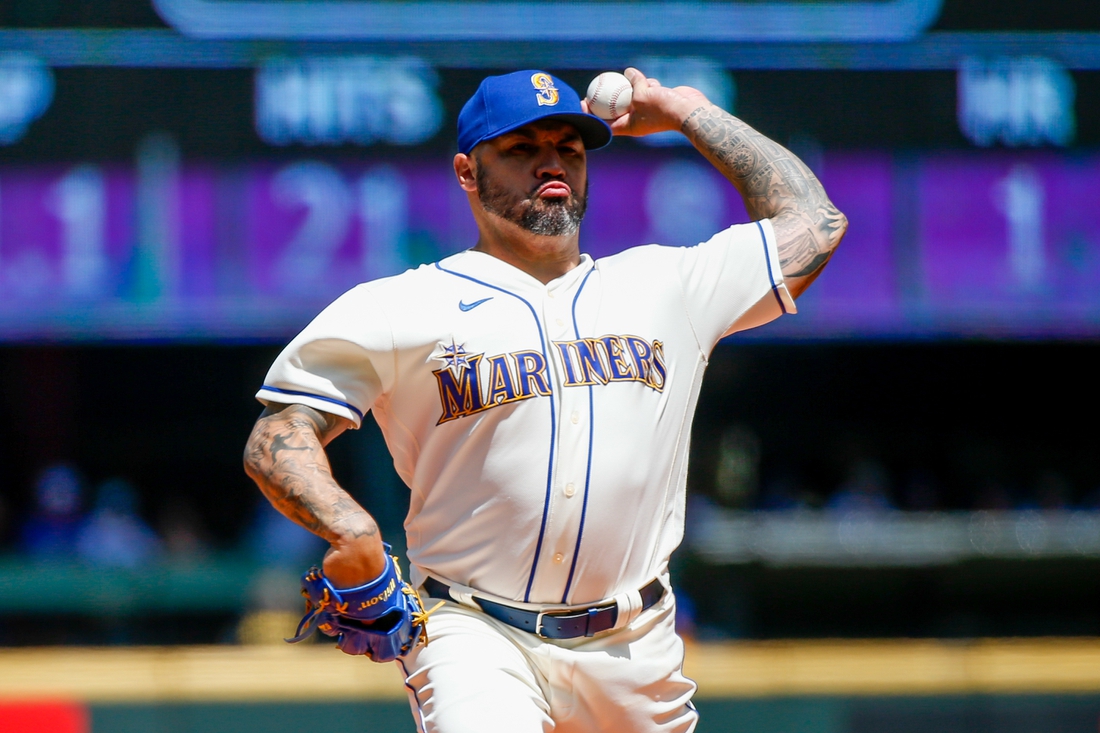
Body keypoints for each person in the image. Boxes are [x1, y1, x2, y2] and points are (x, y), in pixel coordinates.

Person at [244, 68, 846, 732]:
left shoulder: (668, 285)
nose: (551, 163)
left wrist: (688, 112)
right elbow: (280, 433)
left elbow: (814, 224)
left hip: (634, 644)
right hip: (474, 631)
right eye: (522, 149)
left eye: (569, 147)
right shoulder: (402, 306)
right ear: (468, 172)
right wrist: (351, 528)